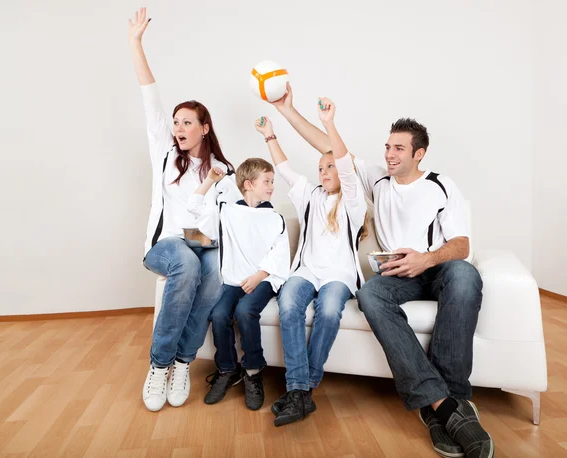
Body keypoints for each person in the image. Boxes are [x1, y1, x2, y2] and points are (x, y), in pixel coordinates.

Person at [269, 85, 493, 456]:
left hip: (435, 270)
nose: (389, 154)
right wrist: (289, 111)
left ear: (418, 154)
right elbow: (327, 144)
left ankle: (448, 402)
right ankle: (446, 407)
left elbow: (461, 246)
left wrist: (426, 258)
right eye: (388, 147)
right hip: (394, 278)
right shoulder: (378, 180)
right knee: (369, 295)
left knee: (466, 274)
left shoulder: (440, 185)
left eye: (399, 148)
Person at [128, 7, 241, 412]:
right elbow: (149, 97)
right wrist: (136, 43)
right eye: (176, 121)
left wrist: (214, 192)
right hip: (164, 245)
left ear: (204, 128)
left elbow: (219, 222)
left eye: (187, 121)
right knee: (189, 265)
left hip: (199, 243)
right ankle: (159, 365)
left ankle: (182, 361)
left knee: (211, 270)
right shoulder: (163, 152)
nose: (178, 127)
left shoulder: (222, 171)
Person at [257, 99, 367, 427]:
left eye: (330, 166)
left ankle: (302, 389)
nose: (324, 172)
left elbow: (347, 168)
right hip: (306, 271)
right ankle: (300, 392)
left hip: (339, 275)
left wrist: (329, 123)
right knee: (288, 306)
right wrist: (269, 135)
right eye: (321, 168)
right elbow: (285, 169)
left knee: (330, 310)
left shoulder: (353, 202)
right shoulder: (309, 194)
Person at [188, 157, 290, 410]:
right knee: (219, 313)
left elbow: (279, 254)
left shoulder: (275, 218)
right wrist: (211, 180)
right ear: (248, 184)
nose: (271, 186)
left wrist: (259, 276)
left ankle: (253, 373)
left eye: (272, 181)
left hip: (264, 277)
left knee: (245, 311)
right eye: (267, 181)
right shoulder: (227, 211)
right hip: (234, 279)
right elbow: (193, 207)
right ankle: (226, 370)